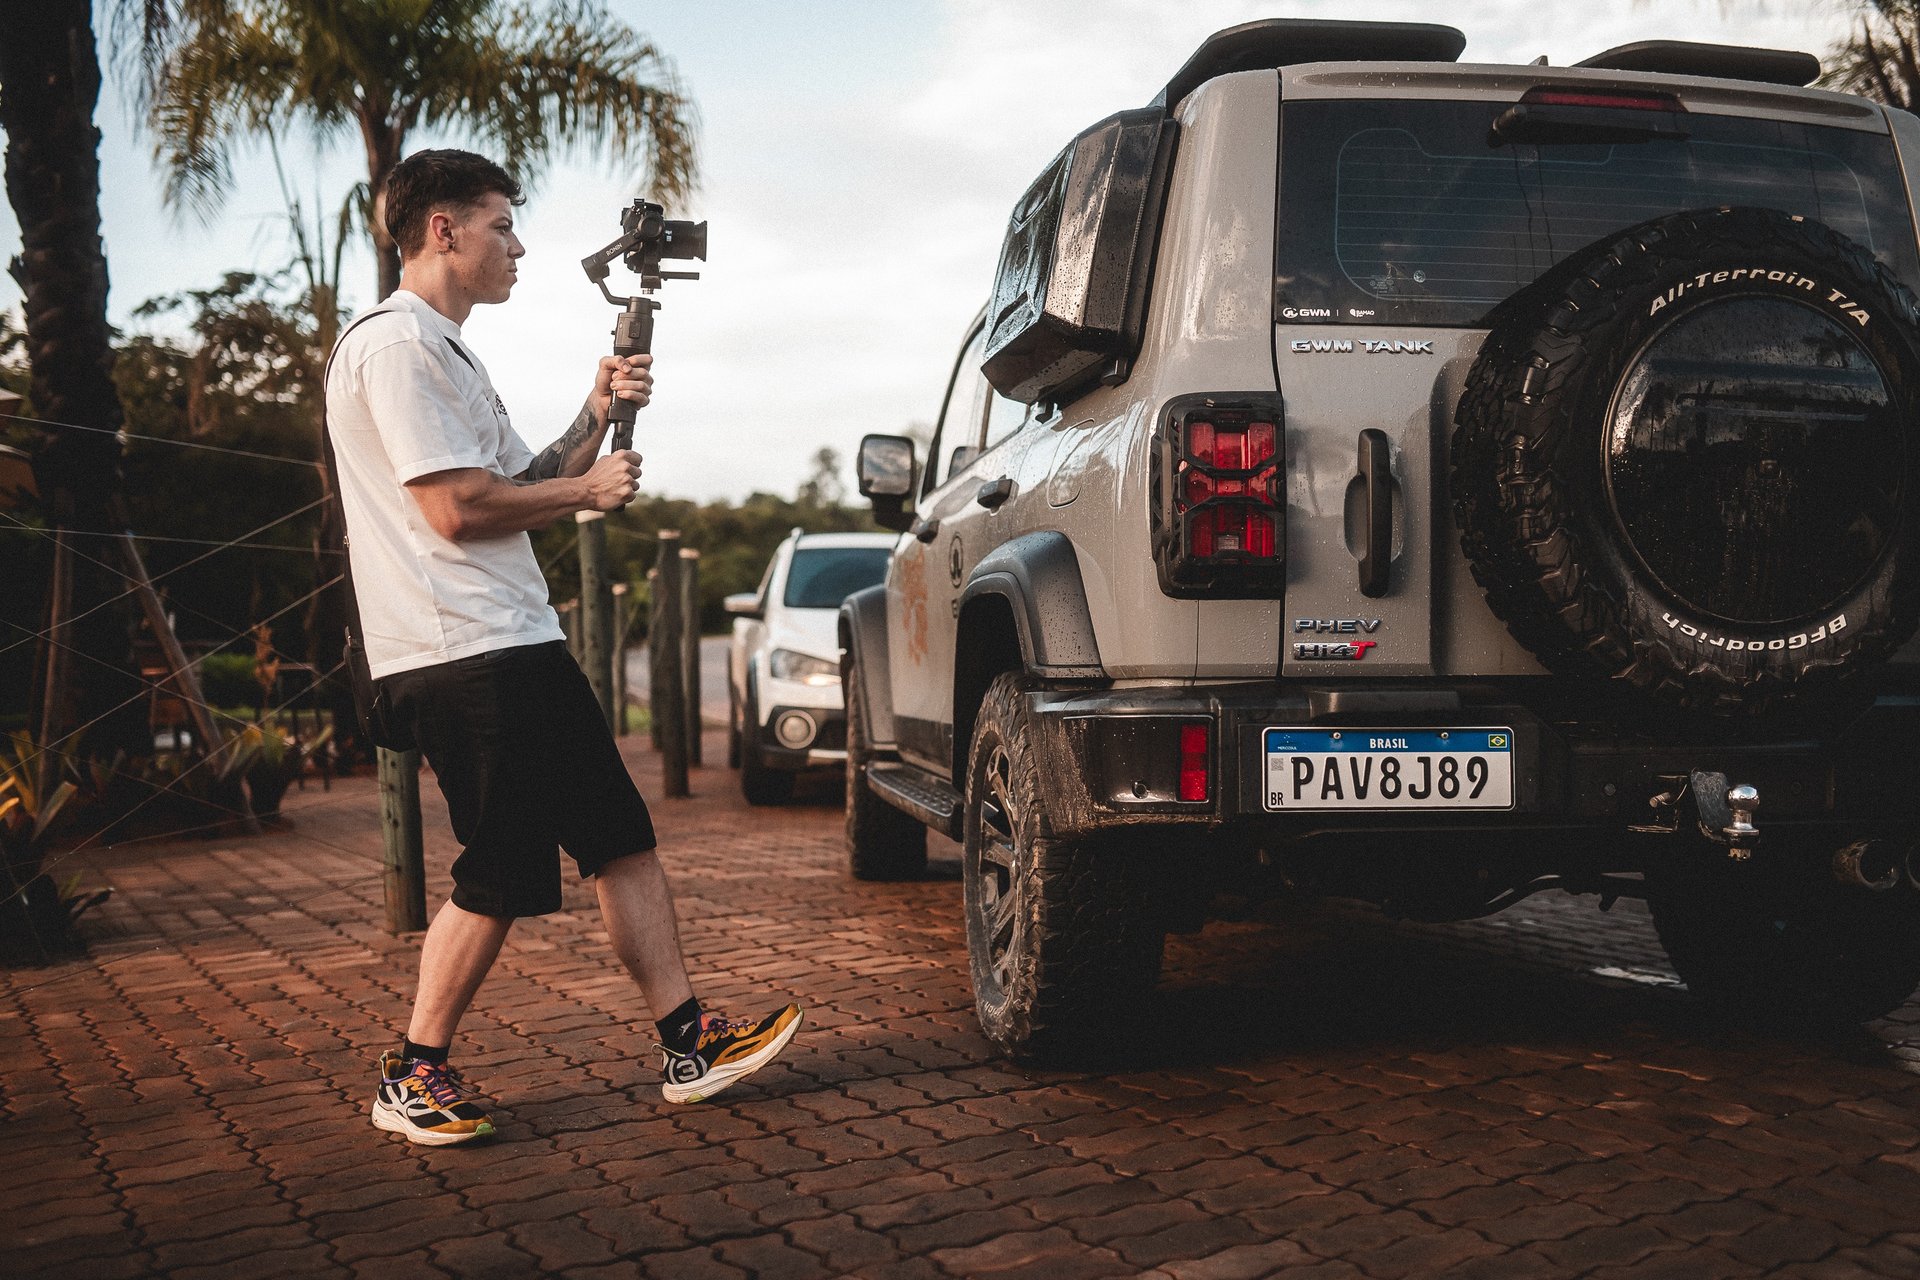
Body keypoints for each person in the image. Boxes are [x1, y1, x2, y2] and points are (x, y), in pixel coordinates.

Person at [326, 148, 801, 1146]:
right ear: (443, 229)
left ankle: (689, 1043)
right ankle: (413, 1073)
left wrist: (597, 408)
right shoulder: (397, 344)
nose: (519, 244)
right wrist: (587, 490)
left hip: (513, 639)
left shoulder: (447, 351)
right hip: (463, 648)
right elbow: (457, 508)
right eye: (501, 223)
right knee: (502, 865)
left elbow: (518, 480)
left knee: (619, 838)